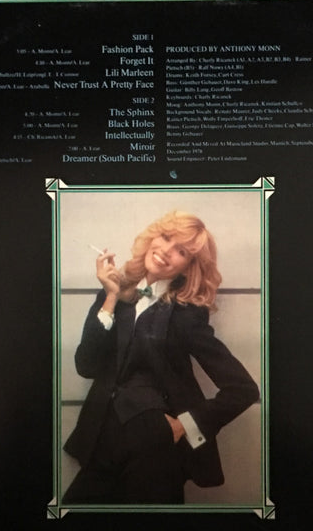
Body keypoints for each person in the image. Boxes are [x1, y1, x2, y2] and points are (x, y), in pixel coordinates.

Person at [62, 210, 259, 504]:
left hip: (156, 447)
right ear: (152, 237)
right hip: (103, 438)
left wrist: (185, 425)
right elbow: (86, 366)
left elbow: (243, 389)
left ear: (188, 267)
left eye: (182, 251)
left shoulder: (187, 315)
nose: (167, 251)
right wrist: (111, 297)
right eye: (166, 238)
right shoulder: (113, 293)